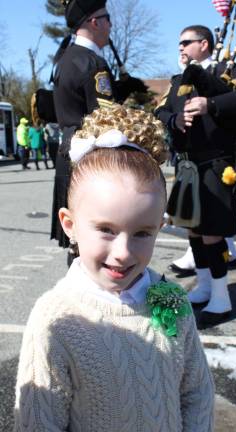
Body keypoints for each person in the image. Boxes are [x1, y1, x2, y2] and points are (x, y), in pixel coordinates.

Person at [14, 105, 214, 431]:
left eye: (142, 233)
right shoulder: (54, 318)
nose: (122, 253)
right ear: (70, 224)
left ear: (159, 228)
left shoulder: (174, 302)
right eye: (106, 229)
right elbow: (39, 422)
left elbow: (197, 394)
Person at [155, 25, 236, 328]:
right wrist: (175, 119)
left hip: (217, 164)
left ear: (204, 44)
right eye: (178, 43)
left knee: (213, 232)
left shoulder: (225, 69)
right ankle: (204, 286)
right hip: (188, 166)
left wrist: (211, 103)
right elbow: (161, 112)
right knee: (193, 230)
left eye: (186, 42)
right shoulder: (178, 80)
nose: (180, 47)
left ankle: (221, 296)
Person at [51, 0, 147, 264]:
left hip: (68, 153)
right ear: (95, 22)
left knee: (79, 242)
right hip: (87, 157)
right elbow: (105, 119)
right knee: (92, 244)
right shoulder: (92, 63)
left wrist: (120, 89)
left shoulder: (67, 58)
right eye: (107, 18)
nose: (111, 25)